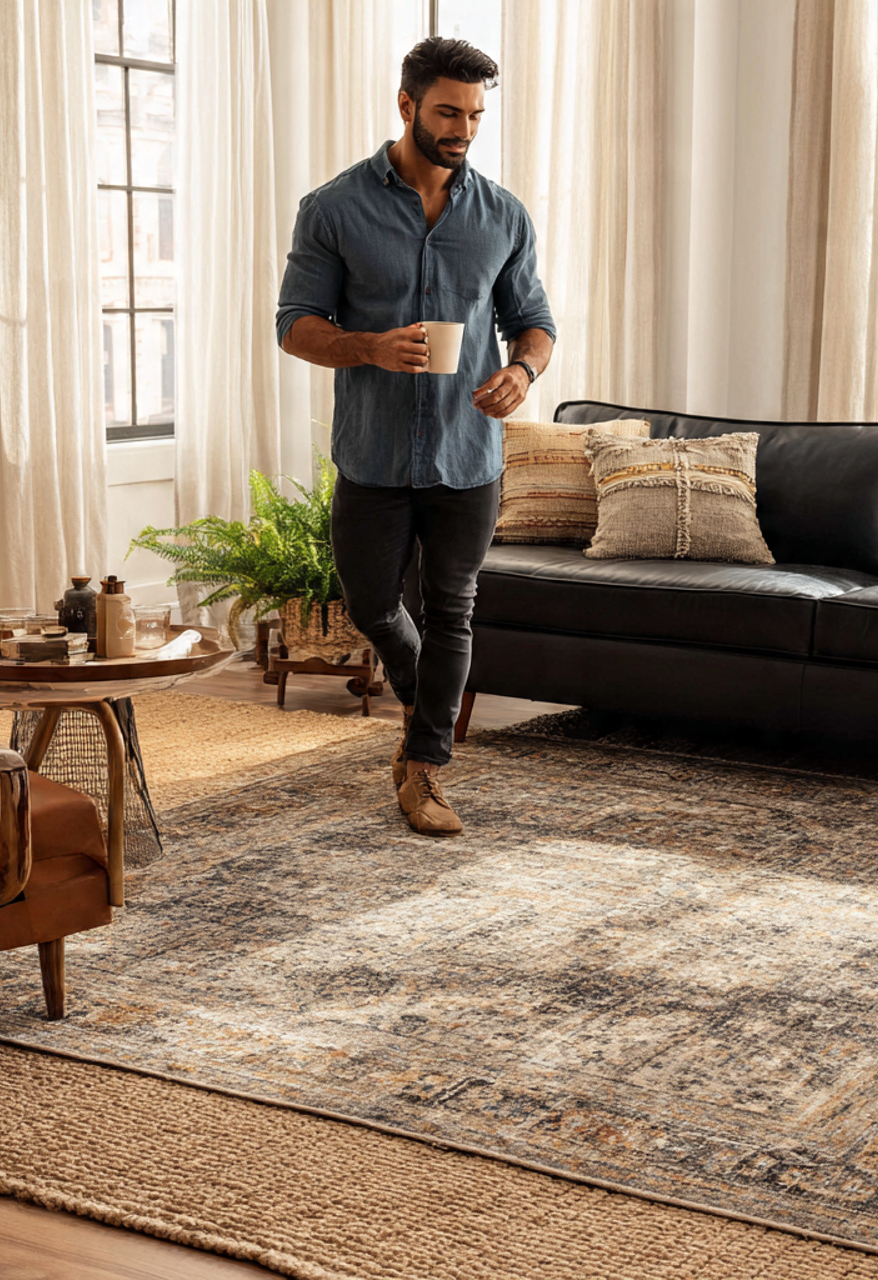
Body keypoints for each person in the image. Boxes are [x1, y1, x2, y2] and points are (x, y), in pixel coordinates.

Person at [275, 37, 555, 837]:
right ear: (407, 107)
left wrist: (523, 372)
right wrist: (367, 345)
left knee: (452, 608)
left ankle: (425, 769)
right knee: (370, 604)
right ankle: (423, 702)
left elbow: (533, 323)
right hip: (373, 451)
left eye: (474, 114)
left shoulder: (502, 214)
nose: (463, 128)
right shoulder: (332, 209)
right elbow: (295, 325)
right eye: (447, 111)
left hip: (469, 454)